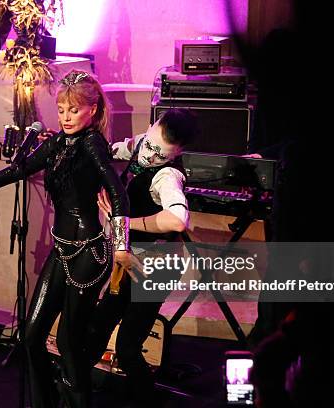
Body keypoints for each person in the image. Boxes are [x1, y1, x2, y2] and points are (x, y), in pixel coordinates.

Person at [0, 69, 131, 408]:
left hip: (89, 253)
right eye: (62, 110)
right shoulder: (57, 143)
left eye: (74, 110)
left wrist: (122, 245)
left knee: (70, 344)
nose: (66, 117)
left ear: (93, 110)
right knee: (32, 335)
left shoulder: (92, 145)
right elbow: (19, 169)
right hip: (62, 249)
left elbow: (119, 196)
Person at [86, 108, 199, 407]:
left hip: (157, 265)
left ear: (176, 154)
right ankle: (75, 389)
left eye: (160, 154)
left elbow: (177, 220)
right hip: (131, 258)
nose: (149, 155)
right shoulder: (140, 144)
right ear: (150, 127)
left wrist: (123, 221)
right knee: (98, 325)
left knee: (127, 347)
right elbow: (112, 149)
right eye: (149, 145)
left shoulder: (168, 175)